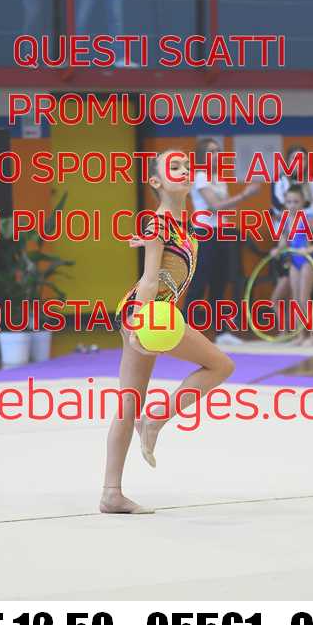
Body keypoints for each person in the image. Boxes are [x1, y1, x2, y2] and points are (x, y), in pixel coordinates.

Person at [101, 150, 235, 514]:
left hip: (158, 314)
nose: (184, 170)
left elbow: (177, 278)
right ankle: (156, 419)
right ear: (156, 182)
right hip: (146, 313)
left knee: (129, 400)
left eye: (187, 166)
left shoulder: (183, 225)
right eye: (174, 167)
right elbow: (149, 280)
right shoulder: (159, 223)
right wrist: (139, 325)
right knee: (221, 365)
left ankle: (111, 493)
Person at [182, 137, 260, 347]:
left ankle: (221, 330)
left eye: (218, 151)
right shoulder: (200, 177)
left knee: (220, 282)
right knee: (200, 283)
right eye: (211, 152)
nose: (216, 155)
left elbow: (224, 207)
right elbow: (215, 206)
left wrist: (230, 205)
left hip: (222, 232)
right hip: (204, 233)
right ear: (202, 157)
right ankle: (183, 330)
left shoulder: (218, 177)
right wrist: (245, 195)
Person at [270, 144, 313, 330]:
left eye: (302, 159)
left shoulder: (308, 215)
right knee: (296, 298)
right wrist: (278, 249)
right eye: (293, 159)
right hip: (292, 254)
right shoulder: (280, 182)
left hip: (307, 256)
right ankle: (297, 334)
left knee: (305, 298)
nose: (291, 205)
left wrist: (309, 249)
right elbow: (283, 236)